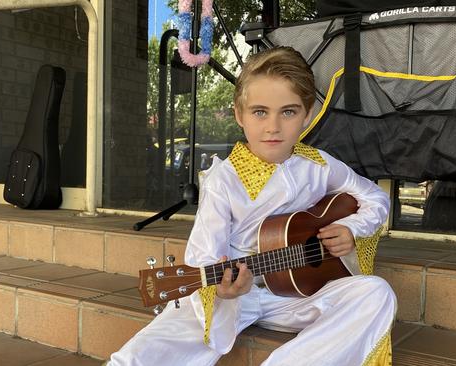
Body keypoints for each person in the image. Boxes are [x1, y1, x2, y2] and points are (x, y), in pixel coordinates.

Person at [108, 46, 396, 366]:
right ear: (239, 114)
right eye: (260, 112)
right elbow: (204, 255)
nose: (273, 127)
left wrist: (351, 228)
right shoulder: (223, 180)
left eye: (288, 112)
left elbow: (375, 197)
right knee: (146, 351)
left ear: (308, 114)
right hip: (234, 296)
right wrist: (223, 291)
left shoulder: (319, 165)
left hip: (296, 293)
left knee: (376, 293)